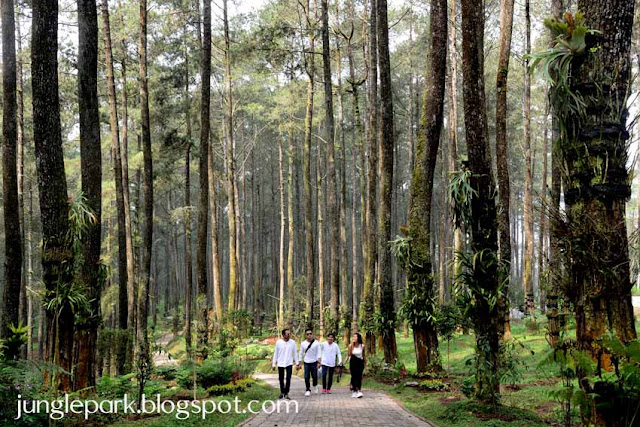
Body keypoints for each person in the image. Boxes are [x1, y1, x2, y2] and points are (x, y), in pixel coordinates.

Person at [272, 328, 299, 399]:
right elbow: (276, 353)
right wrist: (273, 364)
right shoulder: (278, 342)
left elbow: (295, 353)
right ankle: (282, 392)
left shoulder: (292, 342)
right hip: (280, 362)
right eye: (287, 334)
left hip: (289, 362)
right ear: (283, 335)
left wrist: (297, 363)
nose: (289, 335)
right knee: (281, 378)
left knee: (288, 378)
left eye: (289, 333)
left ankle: (286, 392)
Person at [298, 328, 322, 397]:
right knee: (306, 376)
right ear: (305, 335)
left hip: (314, 362)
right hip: (306, 362)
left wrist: (319, 362)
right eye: (307, 334)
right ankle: (307, 389)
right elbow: (301, 353)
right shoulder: (303, 344)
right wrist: (299, 362)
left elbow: (319, 352)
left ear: (312, 334)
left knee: (314, 376)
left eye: (310, 334)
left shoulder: (316, 343)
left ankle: (315, 385)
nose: (309, 335)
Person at [344, 332, 365, 398]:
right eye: (353, 337)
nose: (354, 338)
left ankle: (359, 390)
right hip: (353, 362)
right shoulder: (351, 346)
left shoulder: (362, 346)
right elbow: (348, 355)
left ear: (358, 338)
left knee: (359, 376)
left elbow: (363, 355)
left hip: (360, 362)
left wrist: (366, 363)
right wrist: (344, 362)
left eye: (355, 337)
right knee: (353, 376)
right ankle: (354, 390)